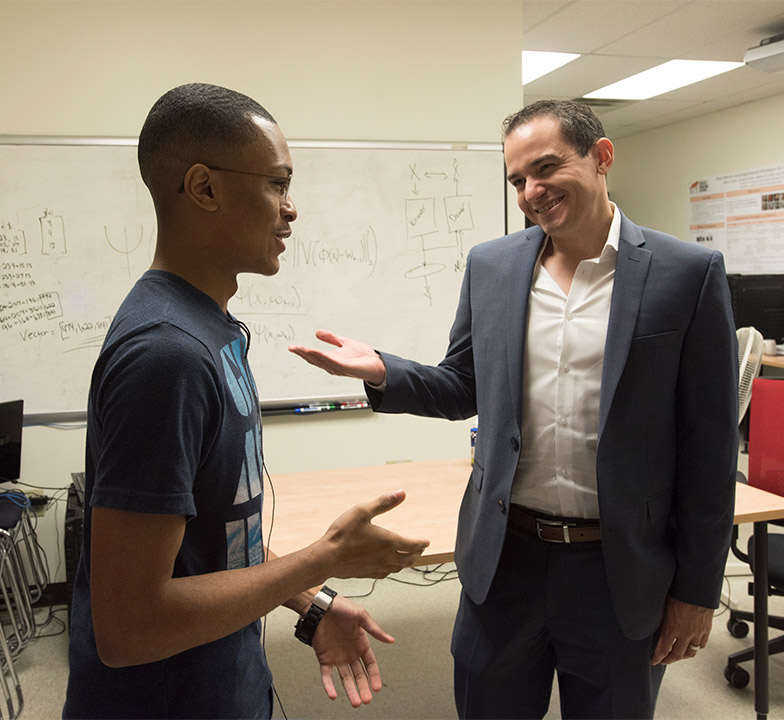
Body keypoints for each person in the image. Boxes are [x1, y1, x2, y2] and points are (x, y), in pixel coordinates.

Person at [289, 100, 738, 719]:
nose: (531, 191)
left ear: (602, 156)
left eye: (547, 168)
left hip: (619, 569)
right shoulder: (493, 266)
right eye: (518, 180)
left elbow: (710, 449)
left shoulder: (687, 274)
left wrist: (696, 590)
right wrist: (385, 371)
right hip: (505, 561)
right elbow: (461, 384)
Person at [63, 83, 429, 720]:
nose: (291, 210)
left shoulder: (211, 333)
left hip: (223, 680)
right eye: (278, 183)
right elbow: (127, 629)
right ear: (204, 188)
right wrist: (329, 555)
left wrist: (312, 602)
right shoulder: (167, 356)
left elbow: (217, 539)